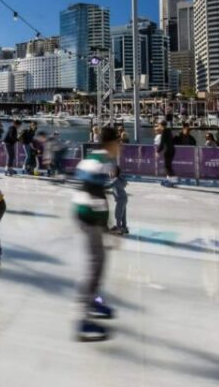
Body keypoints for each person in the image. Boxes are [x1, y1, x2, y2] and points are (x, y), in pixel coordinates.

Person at [73, 127, 118, 342]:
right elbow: (96, 192)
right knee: (95, 264)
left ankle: (91, 302)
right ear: (111, 143)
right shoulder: (101, 162)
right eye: (118, 142)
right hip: (89, 215)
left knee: (97, 262)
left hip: (86, 213)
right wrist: (106, 226)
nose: (120, 147)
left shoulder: (93, 158)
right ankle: (83, 320)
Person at [155, 121, 177, 188]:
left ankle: (172, 181)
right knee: (168, 166)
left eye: (159, 125)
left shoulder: (164, 131)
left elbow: (162, 143)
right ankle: (170, 180)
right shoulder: (169, 131)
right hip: (172, 150)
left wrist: (157, 151)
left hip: (167, 151)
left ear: (161, 125)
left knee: (167, 166)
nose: (158, 126)